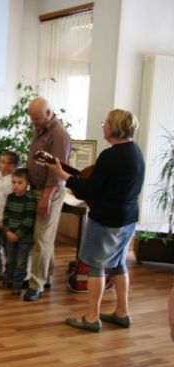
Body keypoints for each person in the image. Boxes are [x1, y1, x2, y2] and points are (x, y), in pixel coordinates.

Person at [46, 109, 145, 332]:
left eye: (106, 122)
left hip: (106, 219)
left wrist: (61, 174)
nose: (103, 126)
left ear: (115, 127)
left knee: (96, 265)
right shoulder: (136, 152)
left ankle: (92, 318)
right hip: (128, 218)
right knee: (118, 264)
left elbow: (89, 188)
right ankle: (122, 312)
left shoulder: (110, 156)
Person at [22, 97, 71, 302]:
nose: (34, 122)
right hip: (36, 189)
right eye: (32, 118)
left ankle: (36, 285)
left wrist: (46, 197)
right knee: (45, 237)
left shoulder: (59, 135)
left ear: (49, 113)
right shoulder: (40, 128)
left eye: (37, 118)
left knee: (41, 239)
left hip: (48, 192)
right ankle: (45, 276)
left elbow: (56, 171)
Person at [0, 169, 37, 295]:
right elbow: (5, 216)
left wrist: (17, 234)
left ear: (27, 184)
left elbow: (29, 219)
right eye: (14, 182)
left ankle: (17, 284)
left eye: (20, 182)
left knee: (21, 262)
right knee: (10, 259)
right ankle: (8, 279)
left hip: (24, 238)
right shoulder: (10, 197)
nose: (16, 185)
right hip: (10, 236)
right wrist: (8, 232)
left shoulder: (30, 199)